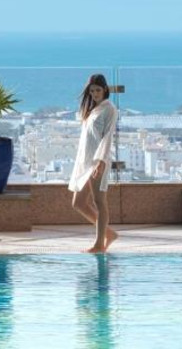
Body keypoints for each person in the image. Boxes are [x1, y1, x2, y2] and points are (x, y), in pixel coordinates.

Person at [69, 73, 119, 253]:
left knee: (100, 201)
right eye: (92, 91)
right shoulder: (93, 110)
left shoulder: (109, 109)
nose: (95, 94)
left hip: (99, 161)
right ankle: (109, 233)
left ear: (105, 90)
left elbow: (107, 138)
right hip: (85, 162)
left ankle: (99, 244)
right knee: (78, 203)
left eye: (98, 90)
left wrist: (101, 162)